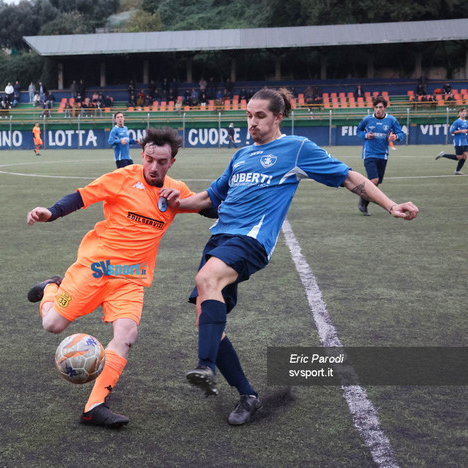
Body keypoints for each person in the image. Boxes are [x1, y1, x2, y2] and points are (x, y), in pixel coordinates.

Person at [163, 88, 418, 427]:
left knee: (206, 280)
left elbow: (349, 177)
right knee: (208, 319)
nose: (252, 123)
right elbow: (210, 197)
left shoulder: (297, 148)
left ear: (277, 117)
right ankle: (248, 395)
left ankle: (205, 366)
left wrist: (390, 205)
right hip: (219, 240)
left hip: (251, 240)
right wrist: (173, 202)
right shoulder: (240, 155)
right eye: (249, 116)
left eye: (260, 116)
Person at [26, 127, 196, 429]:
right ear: (142, 156)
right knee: (52, 325)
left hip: (131, 280)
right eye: (149, 159)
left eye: (162, 162)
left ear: (172, 162)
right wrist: (51, 213)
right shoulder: (123, 178)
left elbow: (209, 207)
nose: (154, 167)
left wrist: (183, 202)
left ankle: (94, 406)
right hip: (95, 269)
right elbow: (82, 197)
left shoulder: (175, 191)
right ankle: (52, 287)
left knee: (126, 337)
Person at [356, 96, 405, 215]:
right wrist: (366, 135)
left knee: (376, 183)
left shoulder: (391, 120)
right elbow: (358, 131)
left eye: (381, 107)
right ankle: (363, 204)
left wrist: (396, 137)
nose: (378, 109)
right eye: (376, 107)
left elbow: (401, 133)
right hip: (369, 154)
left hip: (383, 155)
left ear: (385, 108)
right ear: (374, 108)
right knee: (374, 180)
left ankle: (363, 201)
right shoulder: (367, 119)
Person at [435, 107, 468, 175]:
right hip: (458, 141)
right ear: (459, 114)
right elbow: (452, 131)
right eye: (461, 112)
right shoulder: (456, 122)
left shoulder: (467, 122)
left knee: (464, 156)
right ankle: (443, 155)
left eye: (464, 111)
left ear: (466, 113)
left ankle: (457, 171)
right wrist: (461, 131)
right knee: (459, 157)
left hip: (464, 141)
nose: (463, 113)